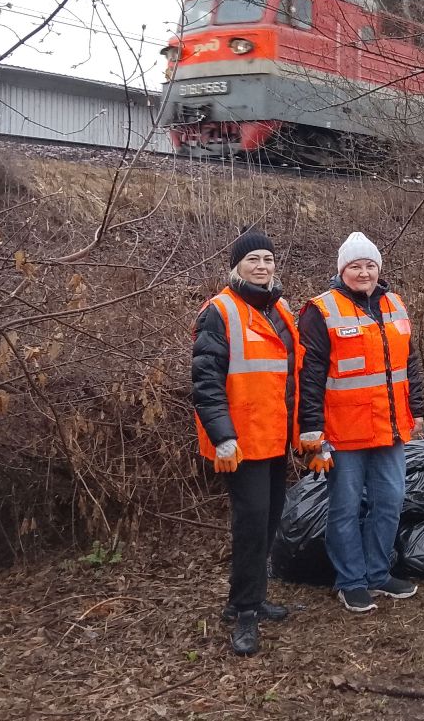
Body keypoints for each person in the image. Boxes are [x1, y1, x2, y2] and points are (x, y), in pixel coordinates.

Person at [298, 232, 424, 614]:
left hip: (389, 427)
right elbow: (310, 374)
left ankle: (377, 573)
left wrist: (417, 409)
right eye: (356, 266)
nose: (364, 272)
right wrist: (311, 429)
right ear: (342, 270)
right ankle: (351, 581)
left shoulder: (394, 304)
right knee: (345, 508)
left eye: (370, 265)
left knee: (390, 502)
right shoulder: (321, 311)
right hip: (344, 432)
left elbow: (409, 363)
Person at [191, 230, 304, 657]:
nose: (261, 266)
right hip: (240, 442)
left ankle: (250, 597)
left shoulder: (278, 310)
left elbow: (291, 374)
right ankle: (244, 611)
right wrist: (222, 436)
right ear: (236, 265)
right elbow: (206, 381)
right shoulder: (220, 311)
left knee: (269, 519)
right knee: (252, 524)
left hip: (275, 436)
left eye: (268, 259)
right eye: (253, 259)